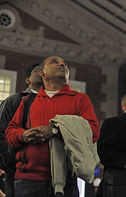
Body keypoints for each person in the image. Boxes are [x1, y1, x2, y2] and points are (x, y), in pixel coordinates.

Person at [5, 56, 100, 197]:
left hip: (66, 181)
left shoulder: (80, 99)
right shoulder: (27, 102)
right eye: (55, 62)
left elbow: (93, 132)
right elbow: (10, 133)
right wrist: (23, 135)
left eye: (65, 64)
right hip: (27, 181)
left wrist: (56, 131)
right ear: (41, 72)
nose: (62, 65)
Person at [0, 63, 42, 197]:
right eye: (38, 70)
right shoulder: (14, 100)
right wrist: (9, 164)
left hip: (45, 174)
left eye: (44, 71)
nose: (42, 73)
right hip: (18, 172)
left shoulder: (52, 103)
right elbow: (1, 131)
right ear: (27, 80)